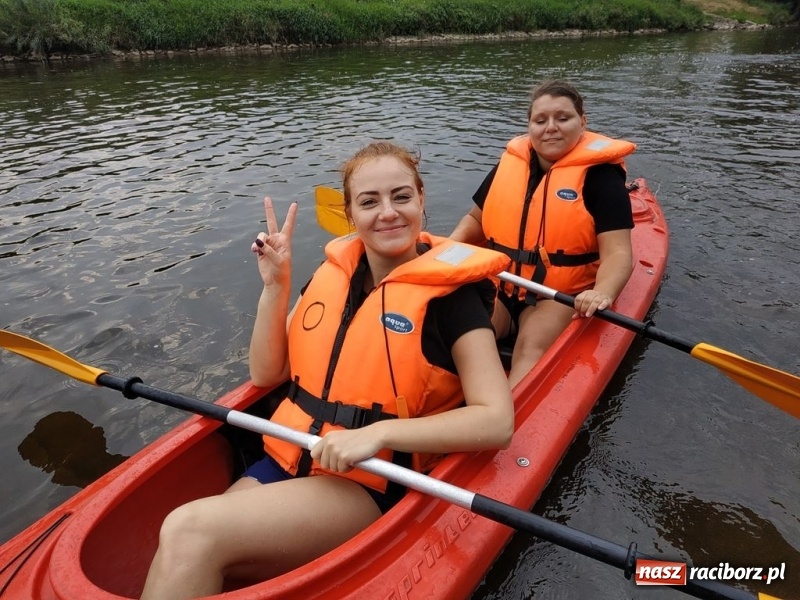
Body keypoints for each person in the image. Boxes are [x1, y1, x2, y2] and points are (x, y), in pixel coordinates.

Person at [141, 141, 514, 600]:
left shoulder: (453, 299)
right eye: (369, 201)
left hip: (366, 481)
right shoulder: (332, 272)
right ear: (350, 214)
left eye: (401, 196)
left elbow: (495, 420)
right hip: (288, 457)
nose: (388, 213)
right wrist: (275, 288)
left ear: (422, 199)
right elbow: (266, 373)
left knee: (187, 529)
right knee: (190, 550)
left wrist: (381, 435)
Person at [450, 80, 635, 388]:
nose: (551, 127)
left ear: (582, 122)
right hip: (503, 282)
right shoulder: (511, 163)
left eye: (563, 118)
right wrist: (446, 251)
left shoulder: (601, 177)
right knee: (463, 332)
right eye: (541, 120)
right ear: (530, 125)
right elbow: (474, 220)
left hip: (558, 294)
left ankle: (505, 419)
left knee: (531, 344)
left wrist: (602, 292)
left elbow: (617, 253)